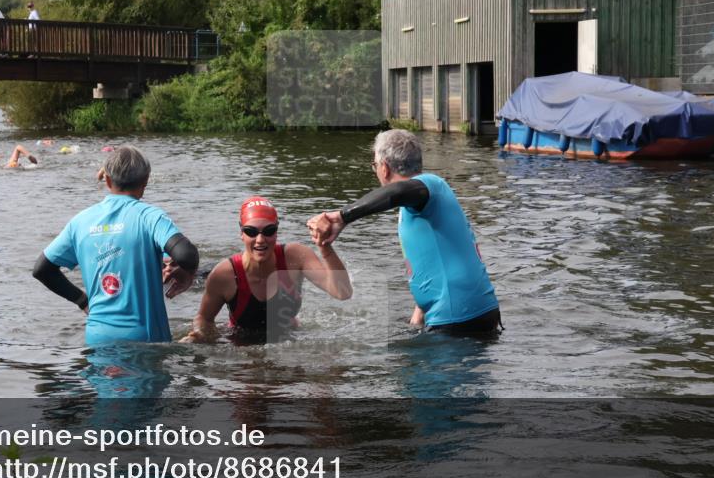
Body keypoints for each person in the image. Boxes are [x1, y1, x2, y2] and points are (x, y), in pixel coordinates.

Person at [307, 129, 501, 335]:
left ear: (384, 168)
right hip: (468, 311)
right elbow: (434, 258)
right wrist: (419, 313)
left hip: (457, 317)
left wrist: (343, 216)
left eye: (374, 165)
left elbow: (398, 191)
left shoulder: (429, 185)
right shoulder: (427, 200)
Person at [32, 145, 199, 344]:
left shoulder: (80, 221)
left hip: (97, 337)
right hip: (144, 341)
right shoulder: (150, 217)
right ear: (145, 181)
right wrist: (188, 272)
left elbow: (42, 270)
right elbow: (186, 254)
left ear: (108, 180)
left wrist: (82, 300)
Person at [183, 196, 352, 344]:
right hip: (243, 346)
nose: (260, 240)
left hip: (289, 338)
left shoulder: (295, 257)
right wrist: (201, 334)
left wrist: (325, 246)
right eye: (251, 231)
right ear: (241, 232)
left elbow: (342, 292)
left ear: (277, 231)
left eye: (269, 231)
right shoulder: (224, 275)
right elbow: (204, 318)